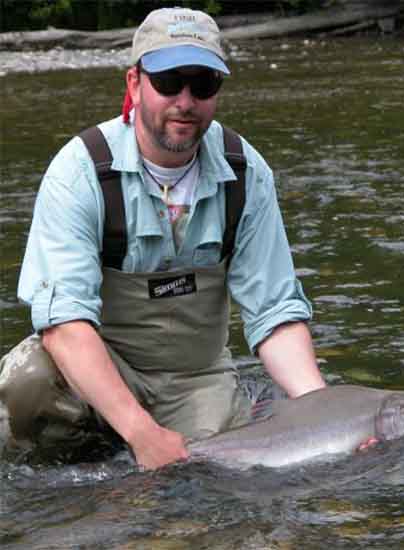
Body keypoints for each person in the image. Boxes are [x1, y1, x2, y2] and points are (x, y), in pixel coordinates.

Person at [0, 7, 325, 469]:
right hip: (107, 371)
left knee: (226, 481)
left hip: (199, 382)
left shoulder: (245, 172)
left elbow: (275, 313)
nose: (186, 101)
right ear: (135, 83)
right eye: (169, 81)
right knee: (28, 381)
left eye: (203, 84)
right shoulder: (80, 172)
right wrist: (140, 432)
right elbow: (64, 325)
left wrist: (323, 410)